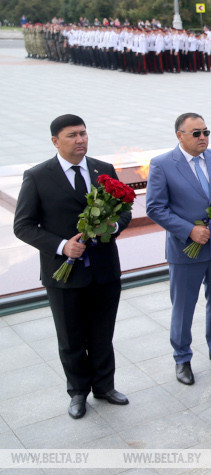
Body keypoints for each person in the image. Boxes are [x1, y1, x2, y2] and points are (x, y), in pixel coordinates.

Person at [13, 114, 131, 419]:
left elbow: (125, 212)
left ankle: (105, 386)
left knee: (102, 334)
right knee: (71, 338)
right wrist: (62, 245)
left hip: (104, 270)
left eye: (83, 134)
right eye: (71, 136)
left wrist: (113, 226)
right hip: (63, 274)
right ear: (56, 141)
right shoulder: (38, 176)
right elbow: (24, 226)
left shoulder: (102, 170)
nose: (80, 140)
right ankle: (78, 392)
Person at [145, 113, 211, 386]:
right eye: (196, 133)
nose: (203, 138)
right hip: (186, 248)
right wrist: (188, 230)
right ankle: (182, 357)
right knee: (184, 306)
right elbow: (155, 207)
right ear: (180, 135)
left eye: (206, 132)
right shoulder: (162, 164)